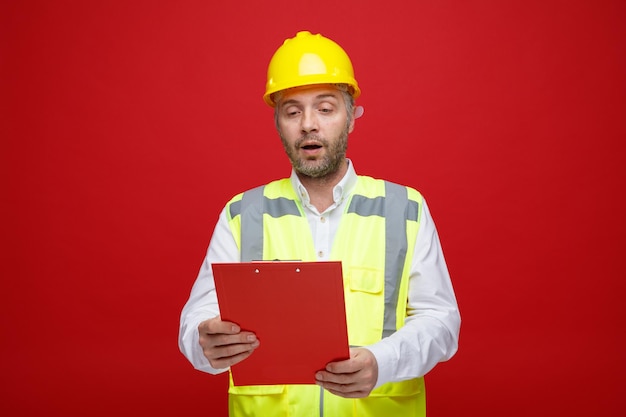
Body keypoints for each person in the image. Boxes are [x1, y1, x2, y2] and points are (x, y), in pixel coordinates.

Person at [179, 30, 460, 416]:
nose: (309, 124)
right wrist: (204, 343)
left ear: (351, 118)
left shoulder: (406, 209)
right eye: (293, 111)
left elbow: (442, 324)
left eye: (325, 108)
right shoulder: (242, 213)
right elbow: (195, 324)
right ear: (278, 123)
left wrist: (382, 362)